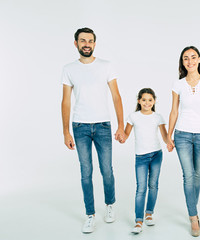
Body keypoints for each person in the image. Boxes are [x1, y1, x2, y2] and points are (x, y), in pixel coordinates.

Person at [61, 27, 125, 233]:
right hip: (79, 126)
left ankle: (110, 205)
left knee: (107, 170)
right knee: (85, 172)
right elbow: (66, 101)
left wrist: (121, 126)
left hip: (103, 125)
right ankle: (90, 214)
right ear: (76, 43)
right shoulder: (69, 69)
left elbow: (116, 96)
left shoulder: (106, 66)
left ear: (94, 44)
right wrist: (65, 132)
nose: (86, 44)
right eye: (82, 40)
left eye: (90, 41)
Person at [167, 46, 200, 237]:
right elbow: (174, 111)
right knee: (188, 175)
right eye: (186, 58)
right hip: (183, 135)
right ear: (182, 62)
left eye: (193, 57)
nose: (190, 61)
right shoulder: (178, 84)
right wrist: (169, 136)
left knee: (199, 173)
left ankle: (191, 204)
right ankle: (193, 217)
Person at [119, 88, 169, 234]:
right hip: (141, 157)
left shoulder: (158, 117)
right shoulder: (133, 117)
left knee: (153, 185)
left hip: (156, 155)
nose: (147, 103)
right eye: (144, 100)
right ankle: (139, 221)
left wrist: (169, 143)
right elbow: (126, 135)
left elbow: (165, 136)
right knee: (141, 188)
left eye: (150, 100)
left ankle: (149, 214)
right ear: (139, 101)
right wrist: (121, 138)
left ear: (154, 101)